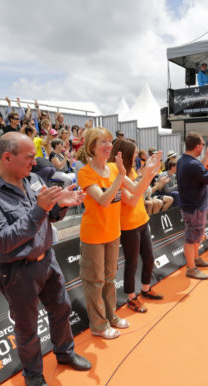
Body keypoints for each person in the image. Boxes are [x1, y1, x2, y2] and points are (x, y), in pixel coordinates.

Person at [0, 132, 91, 386]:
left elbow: (49, 215)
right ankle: (33, 376)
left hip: (48, 260)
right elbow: (1, 241)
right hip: (17, 272)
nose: (36, 162)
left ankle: (65, 354)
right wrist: (40, 210)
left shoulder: (32, 179)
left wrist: (61, 204)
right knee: (27, 327)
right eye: (29, 157)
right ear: (7, 157)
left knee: (62, 308)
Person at [77, 127, 160, 339]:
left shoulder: (115, 168)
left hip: (113, 234)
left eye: (108, 141)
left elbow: (136, 191)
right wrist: (120, 176)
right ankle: (98, 326)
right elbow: (103, 200)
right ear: (91, 147)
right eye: (101, 142)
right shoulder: (85, 173)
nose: (107, 146)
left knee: (109, 279)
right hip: (94, 236)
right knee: (95, 282)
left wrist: (150, 172)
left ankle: (111, 317)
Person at [110, 140, 163, 313]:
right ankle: (131, 297)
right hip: (128, 226)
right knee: (131, 263)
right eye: (133, 155)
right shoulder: (117, 174)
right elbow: (132, 200)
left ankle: (145, 289)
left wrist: (150, 172)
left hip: (142, 220)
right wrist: (147, 173)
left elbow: (141, 191)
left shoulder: (130, 171)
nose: (135, 158)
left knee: (149, 258)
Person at [177, 132, 208, 280]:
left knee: (196, 236)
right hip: (195, 207)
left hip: (191, 205)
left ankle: (195, 259)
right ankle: (191, 268)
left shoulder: (183, 160)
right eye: (203, 144)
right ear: (197, 146)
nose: (204, 146)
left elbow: (200, 170)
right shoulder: (193, 164)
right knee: (191, 238)